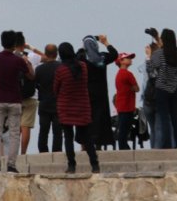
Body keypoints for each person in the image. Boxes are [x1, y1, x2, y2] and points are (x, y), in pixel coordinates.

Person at [0, 30, 34, 174]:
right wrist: (27, 61)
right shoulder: (18, 60)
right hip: (14, 99)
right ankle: (12, 165)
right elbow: (31, 76)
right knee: (14, 133)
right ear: (14, 44)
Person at [54, 42, 100, 173]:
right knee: (87, 137)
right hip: (82, 106)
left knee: (68, 137)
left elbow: (55, 89)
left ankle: (72, 165)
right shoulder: (83, 67)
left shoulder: (60, 70)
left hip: (66, 107)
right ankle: (95, 164)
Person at [80, 34, 118, 149]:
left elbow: (77, 54)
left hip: (86, 93)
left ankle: (86, 144)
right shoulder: (102, 57)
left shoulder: (82, 59)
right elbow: (114, 54)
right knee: (100, 118)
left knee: (87, 118)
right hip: (100, 93)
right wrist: (106, 42)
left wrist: (83, 45)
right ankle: (99, 144)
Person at [145, 28, 177, 149]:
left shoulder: (159, 53)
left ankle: (167, 145)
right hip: (174, 88)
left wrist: (149, 57)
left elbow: (151, 70)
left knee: (164, 118)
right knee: (175, 117)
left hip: (161, 89)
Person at [14, 32, 39, 155]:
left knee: (16, 127)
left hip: (15, 96)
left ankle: (13, 152)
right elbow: (47, 57)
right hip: (31, 95)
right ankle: (23, 153)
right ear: (23, 44)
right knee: (26, 126)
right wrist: (31, 47)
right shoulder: (32, 56)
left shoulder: (10, 57)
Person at [34, 44, 63, 153]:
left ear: (45, 54)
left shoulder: (39, 69)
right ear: (56, 54)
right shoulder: (61, 67)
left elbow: (36, 84)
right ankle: (57, 151)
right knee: (58, 131)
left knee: (43, 130)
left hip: (44, 102)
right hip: (58, 103)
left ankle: (43, 151)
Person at [114, 52, 139, 150]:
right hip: (128, 106)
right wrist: (132, 88)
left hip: (121, 106)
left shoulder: (118, 74)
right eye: (127, 58)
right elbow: (137, 88)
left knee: (122, 131)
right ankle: (124, 150)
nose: (130, 59)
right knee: (124, 132)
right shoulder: (128, 74)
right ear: (121, 61)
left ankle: (124, 148)